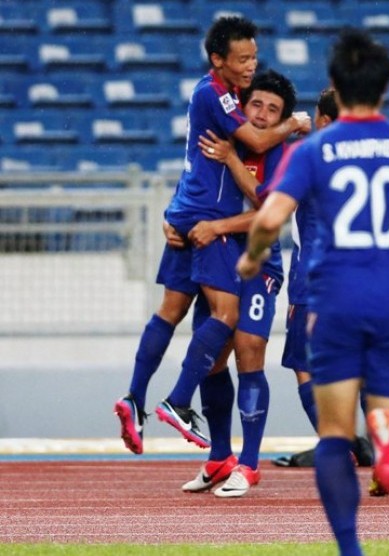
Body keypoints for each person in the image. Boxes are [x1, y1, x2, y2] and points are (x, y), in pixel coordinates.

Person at [237, 28, 389, 556]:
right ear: (386, 86)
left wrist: (254, 255)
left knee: (333, 434)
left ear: (334, 84)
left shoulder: (312, 150)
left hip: (333, 300)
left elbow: (271, 216)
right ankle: (387, 427)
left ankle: (351, 549)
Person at [113, 15, 311, 455]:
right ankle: (179, 404)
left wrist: (175, 212)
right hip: (213, 228)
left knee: (175, 314)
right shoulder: (219, 97)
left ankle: (137, 399)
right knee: (223, 323)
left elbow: (261, 197)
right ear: (218, 60)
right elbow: (257, 162)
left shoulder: (234, 107)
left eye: (255, 58)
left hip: (201, 221)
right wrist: (294, 122)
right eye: (242, 59)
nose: (250, 66)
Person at [169, 69, 296, 497]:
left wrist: (231, 167)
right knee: (214, 356)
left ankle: (250, 464)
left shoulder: (280, 151)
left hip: (260, 263)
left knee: (249, 352)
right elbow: (192, 188)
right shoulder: (222, 136)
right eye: (256, 104)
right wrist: (177, 224)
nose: (261, 115)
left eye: (272, 110)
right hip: (217, 259)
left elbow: (267, 208)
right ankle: (220, 456)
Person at [271, 88, 373, 470]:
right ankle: (376, 444)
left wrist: (287, 128)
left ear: (327, 121)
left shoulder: (306, 156)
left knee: (306, 366)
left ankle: (337, 445)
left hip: (313, 277)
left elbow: (270, 200)